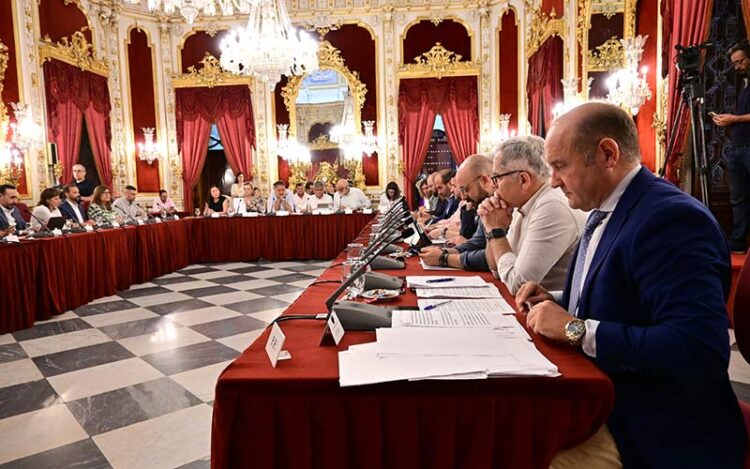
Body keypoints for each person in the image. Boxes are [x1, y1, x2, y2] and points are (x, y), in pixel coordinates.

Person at [516, 102, 746, 468]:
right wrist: (559, 298)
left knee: (523, 455)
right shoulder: (609, 208)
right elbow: (627, 296)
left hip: (657, 425)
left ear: (607, 154)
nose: (554, 181)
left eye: (560, 166)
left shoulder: (670, 218)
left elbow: (697, 347)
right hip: (611, 399)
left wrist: (575, 329)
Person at [477, 136, 586, 294]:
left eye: (497, 178)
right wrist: (491, 228)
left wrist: (496, 231)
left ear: (523, 180)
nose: (494, 187)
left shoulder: (551, 206)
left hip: (554, 311)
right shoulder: (522, 205)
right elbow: (497, 270)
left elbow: (518, 285)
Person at [419, 155, 495, 271]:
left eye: (465, 189)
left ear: (485, 181)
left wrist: (444, 258)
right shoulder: (486, 205)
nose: (463, 196)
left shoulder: (502, 205)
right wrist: (444, 251)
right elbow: (477, 242)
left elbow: (492, 258)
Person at [713, 39, 750, 252]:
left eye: (740, 61)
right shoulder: (744, 84)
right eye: (734, 63)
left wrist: (734, 119)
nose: (737, 67)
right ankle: (737, 242)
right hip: (738, 147)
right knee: (738, 198)